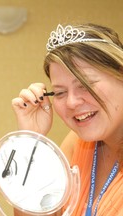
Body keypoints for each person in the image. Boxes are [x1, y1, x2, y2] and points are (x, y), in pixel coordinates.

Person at [12, 23, 123, 216]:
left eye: (85, 85)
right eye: (60, 92)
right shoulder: (77, 144)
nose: (71, 102)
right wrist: (32, 140)